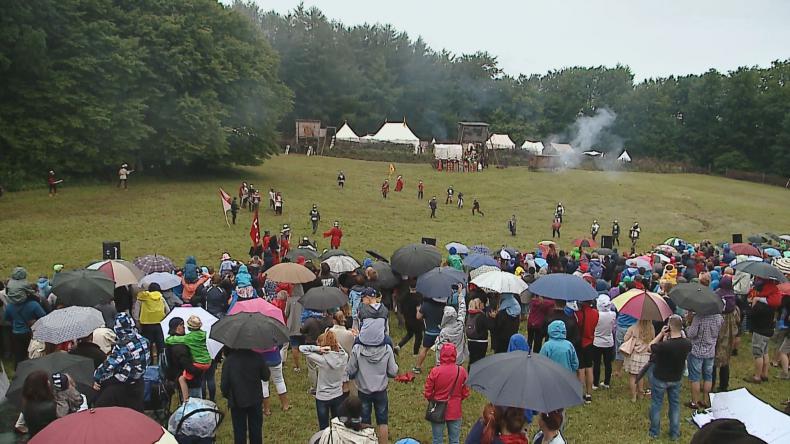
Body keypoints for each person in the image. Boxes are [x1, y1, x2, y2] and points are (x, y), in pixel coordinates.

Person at [347, 318, 398, 444]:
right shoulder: (387, 348)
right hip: (381, 390)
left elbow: (350, 369)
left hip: (363, 390)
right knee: (383, 422)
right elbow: (393, 371)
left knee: (364, 422)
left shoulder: (357, 348)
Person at [93, 313, 151, 412]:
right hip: (139, 382)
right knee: (135, 413)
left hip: (123, 383)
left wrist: (97, 377)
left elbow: (110, 364)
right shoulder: (143, 340)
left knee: (100, 407)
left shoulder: (123, 344)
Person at [648, 315, 692, 440]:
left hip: (660, 377)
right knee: (675, 405)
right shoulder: (687, 344)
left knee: (657, 404)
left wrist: (661, 334)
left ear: (669, 327)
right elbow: (684, 341)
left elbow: (649, 347)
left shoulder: (664, 345)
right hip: (676, 378)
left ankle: (654, 432)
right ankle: (674, 433)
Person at [221, 347, 271, 444]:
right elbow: (266, 376)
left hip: (236, 400)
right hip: (255, 398)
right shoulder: (257, 357)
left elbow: (224, 385)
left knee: (239, 431)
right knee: (256, 430)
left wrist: (229, 396)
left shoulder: (229, 361)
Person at [301, 331, 349, 430]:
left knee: (323, 428)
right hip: (338, 394)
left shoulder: (322, 360)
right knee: (337, 426)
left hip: (323, 397)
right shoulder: (344, 357)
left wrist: (318, 349)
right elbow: (340, 350)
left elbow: (302, 348)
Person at [424, 343, 470, 444]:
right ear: (455, 354)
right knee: (454, 440)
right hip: (455, 409)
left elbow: (427, 392)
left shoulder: (435, 371)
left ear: (441, 354)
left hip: (438, 408)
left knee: (437, 439)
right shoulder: (461, 371)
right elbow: (466, 391)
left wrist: (432, 399)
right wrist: (458, 399)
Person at [4, 267, 45, 368]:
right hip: (30, 332)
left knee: (19, 355)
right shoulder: (33, 305)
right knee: (31, 353)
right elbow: (44, 317)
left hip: (16, 333)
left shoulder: (9, 306)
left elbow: (7, 319)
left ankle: (18, 371)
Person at [165, 315, 212, 402]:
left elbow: (169, 340)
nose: (184, 327)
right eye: (182, 324)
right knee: (196, 401)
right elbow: (186, 363)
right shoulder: (181, 345)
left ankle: (185, 400)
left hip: (191, 374)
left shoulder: (185, 339)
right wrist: (198, 372)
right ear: (177, 327)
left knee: (182, 380)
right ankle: (186, 401)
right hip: (192, 380)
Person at [686, 310, 723, 409]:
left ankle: (695, 402)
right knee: (708, 377)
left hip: (697, 351)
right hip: (710, 351)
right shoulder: (718, 317)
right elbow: (720, 332)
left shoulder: (699, 317)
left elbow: (691, 334)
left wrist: (689, 324)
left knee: (695, 377)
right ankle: (706, 400)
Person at [744, 288, 775, 384]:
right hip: (768, 331)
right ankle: (764, 374)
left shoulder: (760, 306)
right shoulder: (771, 304)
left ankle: (757, 377)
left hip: (759, 332)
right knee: (765, 352)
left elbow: (750, 315)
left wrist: (750, 304)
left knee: (758, 354)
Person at [714, 275, 739, 391]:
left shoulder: (717, 296)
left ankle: (711, 383)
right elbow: (738, 319)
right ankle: (724, 385)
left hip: (718, 329)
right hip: (729, 332)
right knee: (725, 360)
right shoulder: (733, 298)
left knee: (713, 359)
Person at [134, 283, 169, 362]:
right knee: (160, 345)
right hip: (159, 324)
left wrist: (138, 323)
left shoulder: (142, 298)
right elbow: (167, 311)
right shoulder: (161, 298)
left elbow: (136, 314)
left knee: (147, 345)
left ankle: (149, 363)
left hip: (146, 325)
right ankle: (161, 362)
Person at [622, 319, 655, 402]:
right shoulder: (651, 328)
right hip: (645, 356)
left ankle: (633, 396)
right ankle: (641, 394)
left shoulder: (633, 328)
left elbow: (625, 339)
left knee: (633, 376)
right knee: (641, 376)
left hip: (634, 355)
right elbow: (653, 340)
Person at [575, 300, 599, 403]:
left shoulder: (577, 314)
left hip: (580, 343)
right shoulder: (595, 313)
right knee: (589, 368)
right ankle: (589, 394)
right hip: (590, 342)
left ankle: (581, 393)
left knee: (581, 369)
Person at [21, 370, 57, 437]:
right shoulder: (49, 407)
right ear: (41, 385)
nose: (49, 382)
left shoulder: (27, 405)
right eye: (47, 380)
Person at [435, 295, 468, 366]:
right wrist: (461, 296)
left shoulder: (444, 332)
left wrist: (438, 363)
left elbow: (441, 349)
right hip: (459, 359)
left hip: (447, 362)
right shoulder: (460, 324)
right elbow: (462, 311)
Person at [592, 295, 616, 390]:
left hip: (597, 341)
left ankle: (595, 383)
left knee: (597, 364)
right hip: (609, 341)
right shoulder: (613, 314)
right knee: (608, 363)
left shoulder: (596, 314)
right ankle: (607, 382)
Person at [397, 282, 424, 356]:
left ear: (409, 287)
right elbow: (419, 308)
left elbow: (401, 309)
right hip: (416, 320)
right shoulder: (419, 296)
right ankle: (415, 353)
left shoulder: (404, 296)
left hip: (407, 319)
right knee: (419, 336)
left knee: (409, 334)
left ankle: (398, 346)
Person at [466, 299, 489, 366]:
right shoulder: (481, 316)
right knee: (480, 361)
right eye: (481, 303)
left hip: (470, 340)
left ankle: (470, 371)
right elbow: (489, 326)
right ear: (478, 305)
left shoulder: (469, 315)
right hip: (481, 342)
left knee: (472, 359)